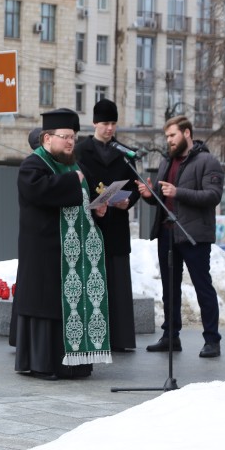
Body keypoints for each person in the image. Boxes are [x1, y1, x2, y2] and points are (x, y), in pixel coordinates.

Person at [13, 108, 111, 380]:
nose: (70, 142)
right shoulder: (33, 164)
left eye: (73, 137)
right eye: (65, 137)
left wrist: (98, 209)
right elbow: (39, 191)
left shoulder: (76, 166)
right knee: (46, 308)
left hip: (73, 254)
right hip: (43, 251)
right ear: (47, 138)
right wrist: (71, 181)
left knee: (71, 307)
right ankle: (42, 364)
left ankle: (75, 364)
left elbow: (86, 199)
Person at [137, 115, 224, 358]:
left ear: (187, 134)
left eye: (173, 135)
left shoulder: (207, 161)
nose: (169, 140)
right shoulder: (167, 162)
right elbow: (163, 198)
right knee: (170, 289)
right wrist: (149, 194)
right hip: (167, 234)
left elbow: (213, 196)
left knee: (202, 287)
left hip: (194, 235)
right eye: (167, 136)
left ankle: (212, 340)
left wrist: (178, 192)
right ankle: (170, 337)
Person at [75, 99, 140, 352]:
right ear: (94, 123)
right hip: (91, 224)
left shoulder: (125, 152)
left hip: (117, 225)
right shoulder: (80, 151)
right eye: (105, 123)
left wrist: (128, 201)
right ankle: (92, 335)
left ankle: (120, 338)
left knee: (117, 281)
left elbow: (134, 186)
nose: (110, 128)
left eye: (113, 123)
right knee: (92, 279)